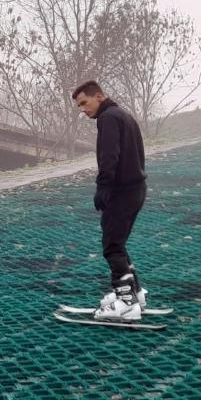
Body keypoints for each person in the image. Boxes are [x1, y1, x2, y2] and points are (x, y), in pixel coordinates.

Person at [72, 81, 148, 321]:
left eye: (84, 103)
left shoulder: (108, 118)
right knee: (118, 243)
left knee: (112, 247)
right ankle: (135, 294)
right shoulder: (123, 115)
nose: (82, 110)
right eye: (79, 106)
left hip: (122, 192)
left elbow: (109, 156)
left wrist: (103, 188)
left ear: (99, 96)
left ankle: (126, 302)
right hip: (136, 189)